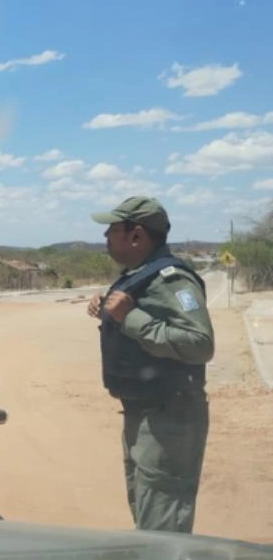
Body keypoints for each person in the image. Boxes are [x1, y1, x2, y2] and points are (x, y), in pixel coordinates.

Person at [86, 196, 214, 533]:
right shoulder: (139, 276)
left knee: (163, 523)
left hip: (170, 416)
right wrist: (110, 309)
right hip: (144, 412)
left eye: (112, 230)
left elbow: (200, 343)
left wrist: (131, 316)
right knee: (148, 513)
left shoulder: (172, 279)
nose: (106, 238)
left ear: (137, 236)